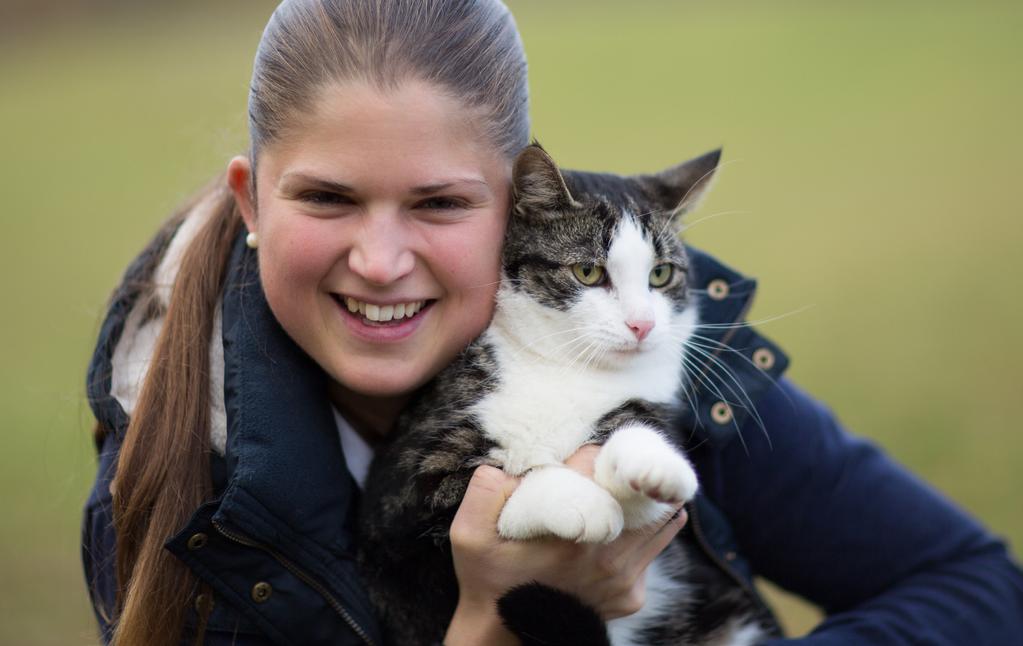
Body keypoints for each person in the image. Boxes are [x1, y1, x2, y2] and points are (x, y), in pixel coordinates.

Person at [82, 1, 1023, 644]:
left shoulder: (653, 345)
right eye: (328, 197)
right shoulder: (173, 480)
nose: (379, 260)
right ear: (252, 204)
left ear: (521, 207)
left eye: (440, 204)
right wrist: (495, 621)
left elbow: (979, 590)